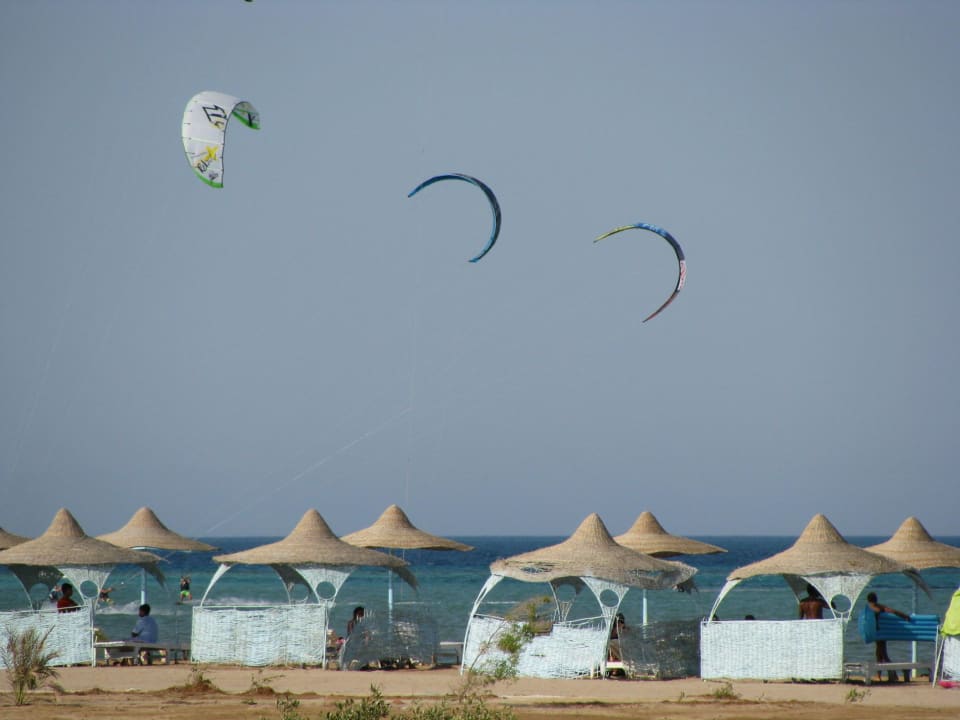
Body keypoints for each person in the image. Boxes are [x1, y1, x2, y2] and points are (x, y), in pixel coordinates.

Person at [866, 592, 910, 682]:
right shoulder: (880, 606)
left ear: (868, 600)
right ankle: (888, 673)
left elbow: (871, 616)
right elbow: (893, 611)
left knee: (881, 654)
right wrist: (904, 616)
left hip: (878, 633)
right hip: (883, 633)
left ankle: (889, 673)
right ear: (876, 599)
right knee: (881, 654)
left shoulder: (870, 608)